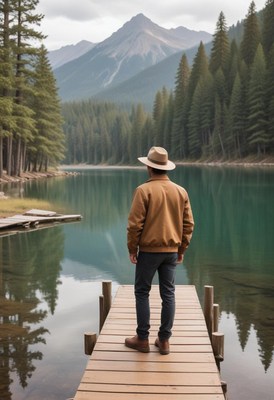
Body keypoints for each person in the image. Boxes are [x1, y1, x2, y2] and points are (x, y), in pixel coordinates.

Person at [125, 146, 194, 355]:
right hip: (171, 251)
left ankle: (143, 339)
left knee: (142, 292)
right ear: (166, 168)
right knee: (169, 294)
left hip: (148, 251)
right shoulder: (181, 191)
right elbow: (188, 224)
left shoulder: (143, 190)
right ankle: (164, 341)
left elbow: (134, 225)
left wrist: (132, 248)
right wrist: (181, 248)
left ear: (149, 167)